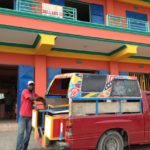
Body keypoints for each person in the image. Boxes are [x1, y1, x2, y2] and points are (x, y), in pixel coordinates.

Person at [16, 81, 39, 150]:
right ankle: (18, 148)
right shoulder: (25, 91)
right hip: (23, 116)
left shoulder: (33, 93)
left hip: (30, 117)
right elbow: (31, 98)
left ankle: (24, 148)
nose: (31, 86)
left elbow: (38, 97)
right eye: (30, 85)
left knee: (28, 134)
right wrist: (36, 99)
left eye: (32, 85)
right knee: (21, 133)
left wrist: (40, 102)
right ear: (27, 86)